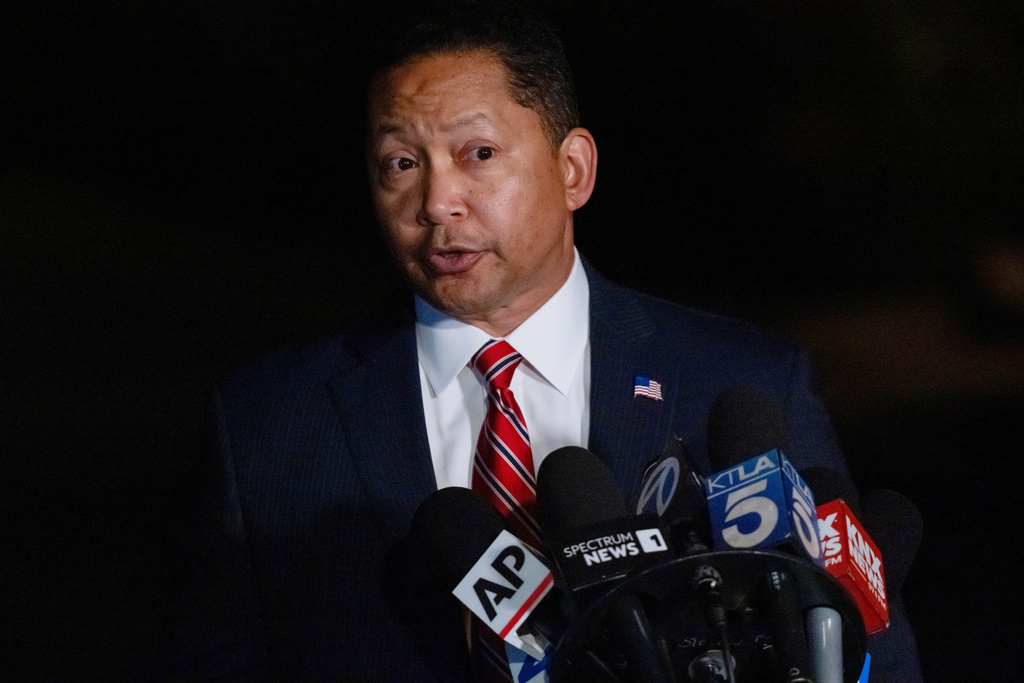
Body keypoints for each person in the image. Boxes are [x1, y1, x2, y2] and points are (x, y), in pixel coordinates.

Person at [170, 4, 921, 681]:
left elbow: (870, 661)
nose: (436, 202)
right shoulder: (265, 424)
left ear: (573, 170)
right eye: (401, 164)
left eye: (478, 154)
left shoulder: (744, 384)